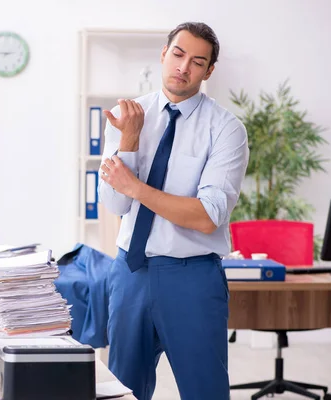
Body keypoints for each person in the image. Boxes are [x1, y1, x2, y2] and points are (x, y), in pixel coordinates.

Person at [98, 22, 249, 400]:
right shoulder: (126, 116)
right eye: (178, 55)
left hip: (191, 278)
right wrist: (129, 140)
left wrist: (134, 186)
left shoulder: (226, 129)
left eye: (197, 62)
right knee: (122, 391)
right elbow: (115, 204)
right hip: (130, 272)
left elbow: (206, 216)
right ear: (163, 54)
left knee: (204, 391)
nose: (184, 67)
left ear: (209, 71)